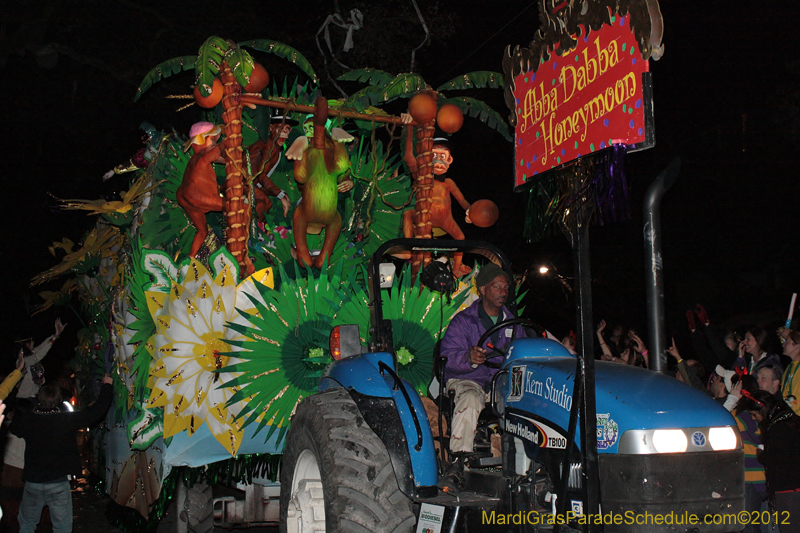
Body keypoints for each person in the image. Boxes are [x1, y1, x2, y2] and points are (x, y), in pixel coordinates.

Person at [441, 263, 526, 455]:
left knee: (529, 400)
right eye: (497, 286)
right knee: (470, 398)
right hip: (468, 379)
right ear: (482, 289)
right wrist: (468, 357)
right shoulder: (463, 322)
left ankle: (524, 463)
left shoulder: (514, 324)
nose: (503, 292)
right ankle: (459, 458)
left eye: (506, 287)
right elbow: (447, 360)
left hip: (501, 384)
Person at [11, 375, 112, 533]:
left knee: (27, 525)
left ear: (39, 399)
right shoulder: (66, 420)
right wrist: (107, 386)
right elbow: (97, 410)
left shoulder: (28, 420)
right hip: (58, 483)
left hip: (33, 482)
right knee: (62, 528)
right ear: (59, 401)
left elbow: (14, 427)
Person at [738, 390, 800, 533]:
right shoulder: (793, 421)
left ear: (764, 409)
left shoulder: (777, 429)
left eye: (754, 414)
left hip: (789, 491)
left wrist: (762, 455)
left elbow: (777, 461)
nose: (753, 418)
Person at [781, 329, 800, 415]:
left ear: (797, 346)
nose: (783, 344)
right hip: (790, 418)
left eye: (787, 342)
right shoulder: (789, 367)